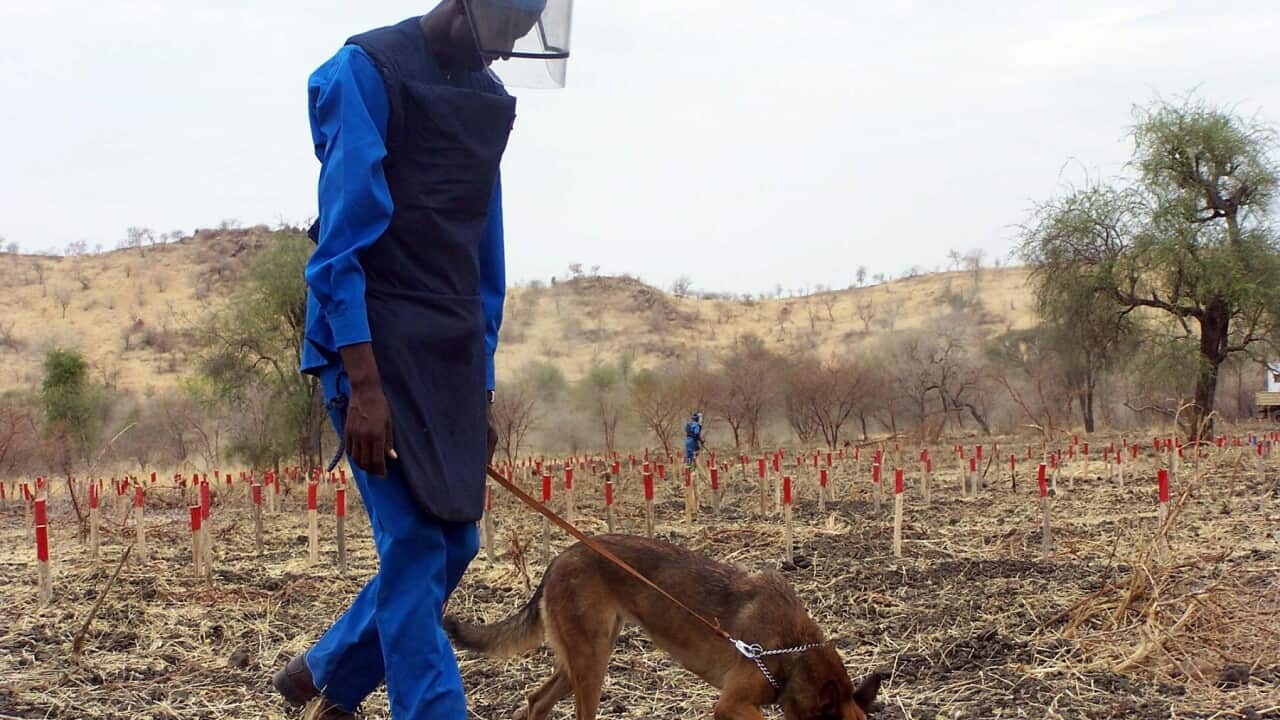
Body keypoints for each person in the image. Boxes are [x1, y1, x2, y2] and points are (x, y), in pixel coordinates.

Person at [271, 2, 571, 718]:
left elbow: (482, 262)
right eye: (503, 33)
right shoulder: (365, 72)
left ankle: (327, 674)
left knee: (456, 540)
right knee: (412, 544)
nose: (505, 54)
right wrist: (364, 388)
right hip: (369, 347)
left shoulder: (484, 100)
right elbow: (341, 245)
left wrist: (481, 392)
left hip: (447, 354)